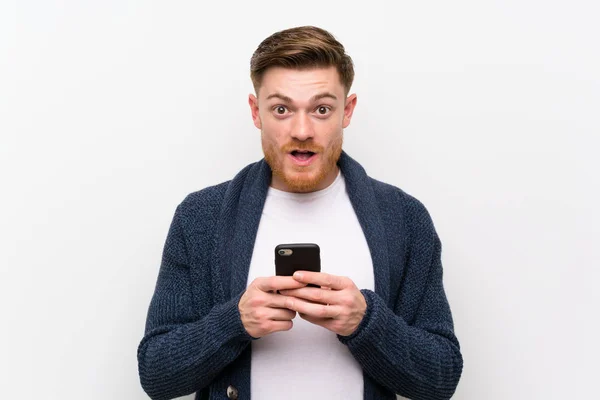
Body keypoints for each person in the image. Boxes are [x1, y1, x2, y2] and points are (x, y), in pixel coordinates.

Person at [137, 26, 463, 400]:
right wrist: (234, 323)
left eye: (322, 109)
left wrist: (366, 322)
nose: (303, 130)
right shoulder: (200, 216)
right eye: (281, 109)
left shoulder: (405, 218)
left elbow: (441, 379)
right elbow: (156, 375)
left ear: (348, 110)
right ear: (256, 112)